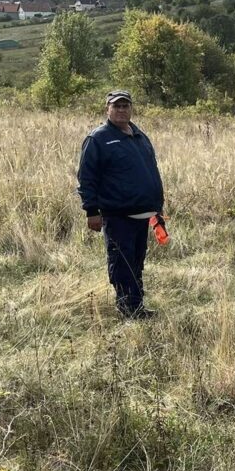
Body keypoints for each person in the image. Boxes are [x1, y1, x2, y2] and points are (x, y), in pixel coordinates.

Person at [77, 90, 166, 319]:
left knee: (136, 261)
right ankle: (129, 309)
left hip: (143, 213)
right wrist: (91, 211)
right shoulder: (98, 139)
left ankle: (136, 304)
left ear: (131, 108)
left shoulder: (139, 135)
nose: (121, 110)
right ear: (107, 109)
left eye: (125, 105)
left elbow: (150, 172)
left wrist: (156, 206)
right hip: (117, 215)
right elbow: (87, 177)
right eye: (116, 106)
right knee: (122, 262)